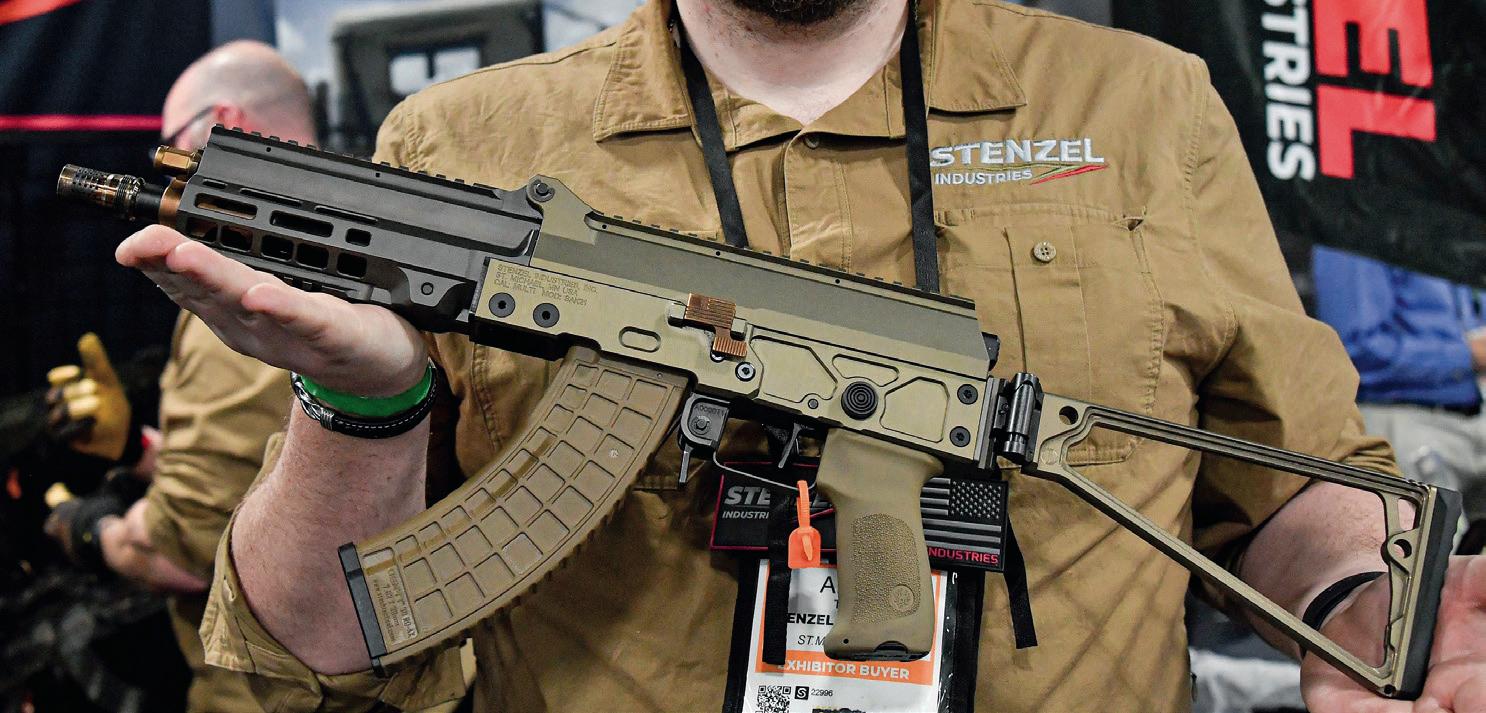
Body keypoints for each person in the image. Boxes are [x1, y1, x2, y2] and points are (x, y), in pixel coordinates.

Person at [116, 0, 1486, 711]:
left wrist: (1374, 611)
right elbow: (315, 654)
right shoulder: (462, 147)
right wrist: (359, 401)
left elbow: (1289, 483)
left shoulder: (1140, 105)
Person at [49, 40, 309, 713]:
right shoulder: (345, 255)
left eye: (170, 146)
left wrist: (91, 531)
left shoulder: (252, 284)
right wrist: (135, 451)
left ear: (225, 124)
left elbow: (184, 554)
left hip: (270, 689)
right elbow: (288, 470)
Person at [1313, 244, 1486, 527]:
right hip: (1399, 419)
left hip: (1472, 411)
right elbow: (1355, 351)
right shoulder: (1355, 232)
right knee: (1429, 549)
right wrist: (1467, 355)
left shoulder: (1447, 229)